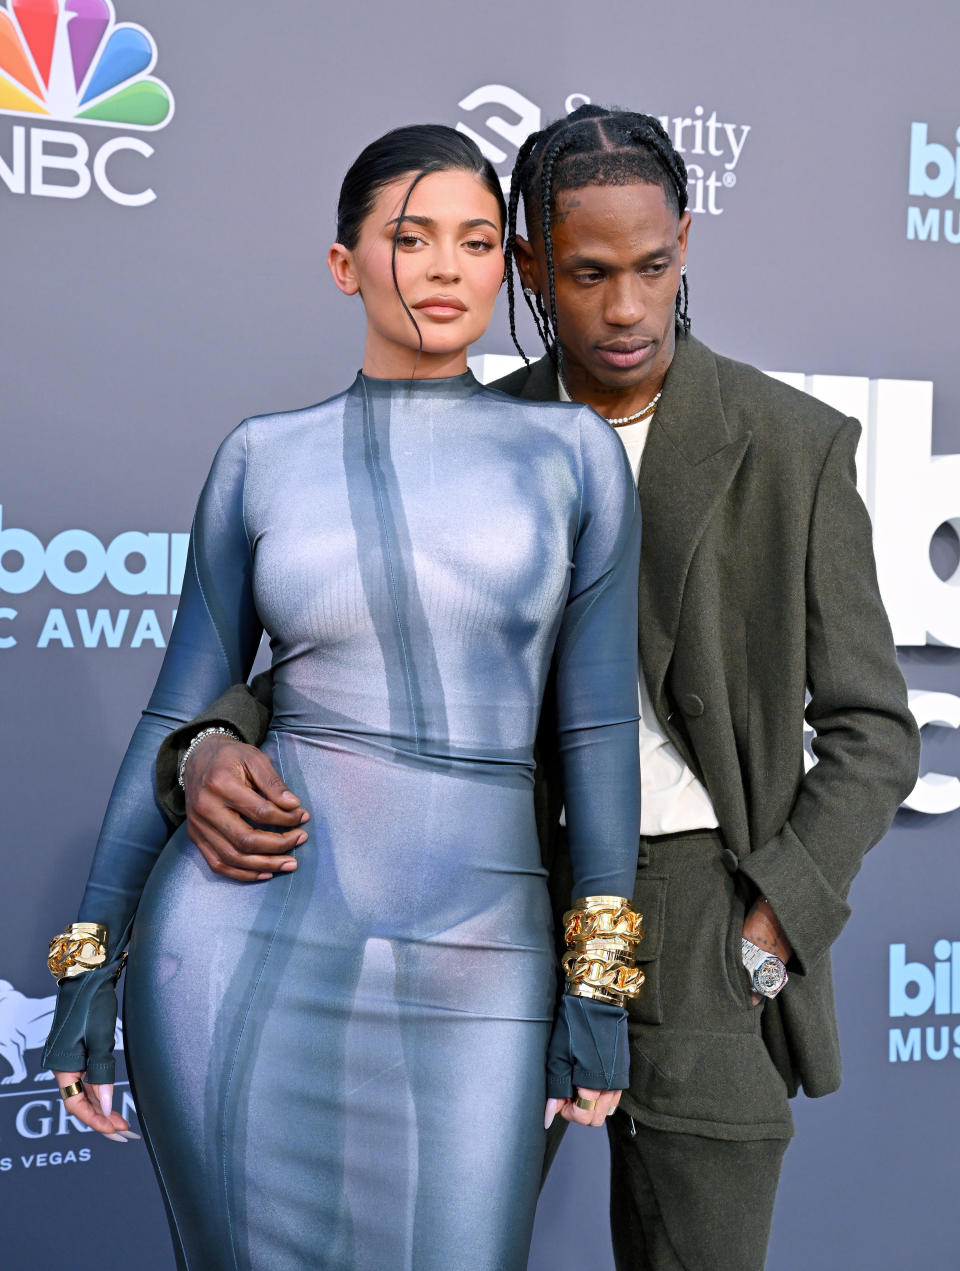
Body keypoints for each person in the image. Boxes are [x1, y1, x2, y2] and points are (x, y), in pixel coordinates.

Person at [163, 105, 922, 1270]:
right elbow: (337, 657)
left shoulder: (789, 443)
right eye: (586, 273)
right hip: (485, 899)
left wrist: (768, 922)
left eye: (653, 268)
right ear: (528, 267)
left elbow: (873, 730)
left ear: (684, 246)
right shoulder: (466, 424)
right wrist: (212, 739)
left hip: (701, 915)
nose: (625, 308)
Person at [40, 123, 646, 1271]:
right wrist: (86, 967)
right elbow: (175, 716)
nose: (444, 268)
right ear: (345, 263)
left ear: (506, 265)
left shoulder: (573, 457)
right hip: (239, 939)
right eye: (410, 239)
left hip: (483, 953)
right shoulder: (262, 457)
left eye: (475, 241)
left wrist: (599, 981)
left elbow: (598, 733)